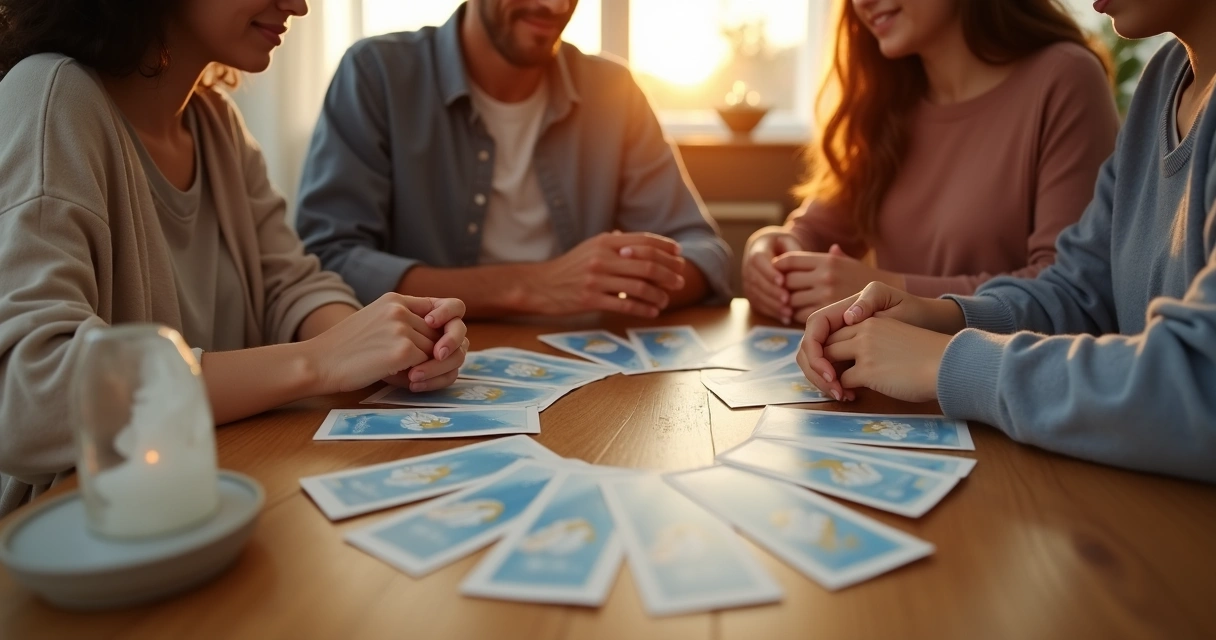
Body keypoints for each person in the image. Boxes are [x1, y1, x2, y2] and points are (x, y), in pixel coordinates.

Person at [0, 0, 469, 515]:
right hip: (86, 533)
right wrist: (320, 361)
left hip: (212, 501)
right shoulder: (48, 96)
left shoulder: (216, 121)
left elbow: (289, 286)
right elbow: (30, 397)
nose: (299, 5)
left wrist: (381, 350)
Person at [796, 0, 1216, 483]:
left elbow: (1202, 379)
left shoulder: (1063, 76)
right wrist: (937, 313)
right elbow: (1081, 293)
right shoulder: (1163, 80)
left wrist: (945, 362)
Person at [294, 0, 733, 320]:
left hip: (589, 366)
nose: (555, 5)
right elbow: (332, 261)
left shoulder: (614, 89)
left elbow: (704, 253)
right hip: (429, 370)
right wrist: (535, 286)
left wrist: (615, 282)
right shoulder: (377, 74)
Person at [744, 0, 1118, 324]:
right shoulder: (887, 100)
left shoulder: (1066, 78)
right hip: (885, 384)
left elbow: (1068, 293)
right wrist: (774, 248)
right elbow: (816, 231)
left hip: (997, 394)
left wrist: (890, 290)